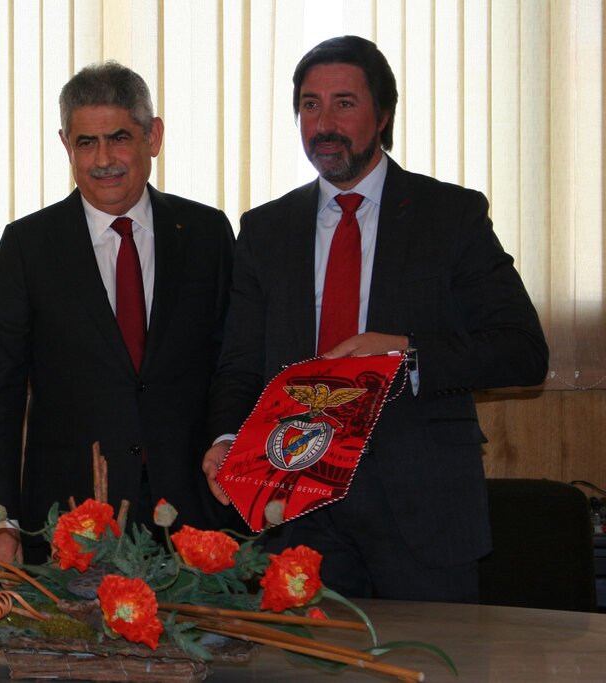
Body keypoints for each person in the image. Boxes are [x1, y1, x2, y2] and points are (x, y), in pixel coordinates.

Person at [202, 36, 548, 602]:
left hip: (420, 502)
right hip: (296, 505)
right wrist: (226, 437)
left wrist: (404, 355)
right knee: (309, 654)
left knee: (429, 652)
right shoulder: (266, 229)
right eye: (310, 105)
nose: (323, 124)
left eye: (344, 103)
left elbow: (522, 351)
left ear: (383, 115)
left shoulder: (449, 216)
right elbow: (240, 361)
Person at [0, 61, 235, 563]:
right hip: (71, 518)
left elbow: (233, 364)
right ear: (66, 145)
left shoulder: (206, 234)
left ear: (153, 136)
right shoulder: (30, 244)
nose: (104, 159)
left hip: (195, 515)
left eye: (119, 138)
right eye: (86, 143)